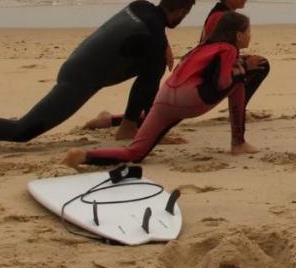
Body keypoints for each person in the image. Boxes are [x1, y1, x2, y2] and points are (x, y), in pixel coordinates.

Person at [0, 0, 195, 154]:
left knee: (153, 61)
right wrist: (155, 132)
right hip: (79, 80)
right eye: (186, 14)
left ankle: (126, 125)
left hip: (79, 63)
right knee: (23, 130)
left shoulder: (141, 7)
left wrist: (162, 46)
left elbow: (147, 31)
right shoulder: (154, 36)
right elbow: (149, 70)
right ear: (181, 10)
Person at [64, 11, 260, 167]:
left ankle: (84, 156)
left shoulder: (201, 48)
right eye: (249, 31)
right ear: (239, 35)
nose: (251, 35)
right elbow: (222, 83)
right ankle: (238, 142)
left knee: (135, 153)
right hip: (189, 100)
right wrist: (244, 69)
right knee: (239, 81)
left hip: (164, 97)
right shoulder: (228, 49)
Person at [85, 0, 271, 136]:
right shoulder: (220, 18)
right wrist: (242, 64)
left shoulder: (226, 14)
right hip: (205, 74)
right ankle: (237, 111)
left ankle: (110, 120)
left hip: (212, 68)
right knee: (168, 115)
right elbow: (214, 52)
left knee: (166, 114)